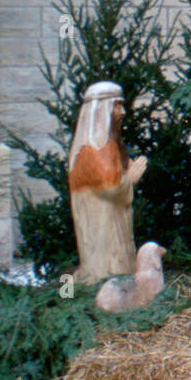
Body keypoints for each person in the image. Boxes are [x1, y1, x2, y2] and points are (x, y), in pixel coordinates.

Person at [68, 81, 147, 283]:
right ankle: (93, 290)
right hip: (101, 227)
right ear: (101, 110)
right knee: (105, 271)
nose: (122, 112)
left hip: (112, 222)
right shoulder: (92, 149)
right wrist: (130, 179)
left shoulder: (109, 144)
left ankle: (119, 287)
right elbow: (110, 188)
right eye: (116, 106)